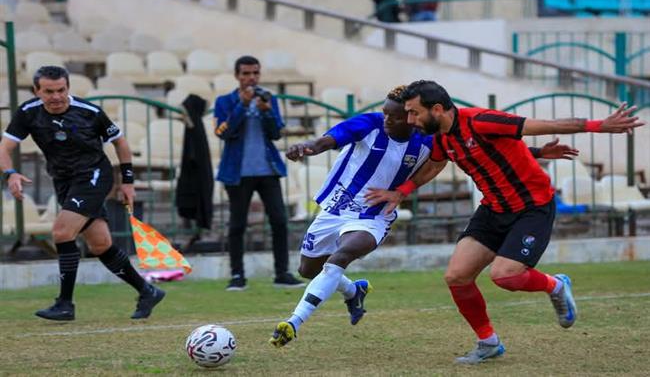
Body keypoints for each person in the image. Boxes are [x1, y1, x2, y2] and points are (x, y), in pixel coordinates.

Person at [269, 86, 576, 348]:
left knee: (342, 255)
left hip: (376, 215)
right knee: (308, 270)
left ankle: (293, 322)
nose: (388, 119)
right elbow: (328, 140)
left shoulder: (427, 140)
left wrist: (534, 152)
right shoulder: (369, 123)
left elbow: (474, 147)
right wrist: (307, 147)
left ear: (412, 118)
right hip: (336, 208)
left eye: (396, 116)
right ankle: (354, 290)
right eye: (386, 114)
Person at [366, 80, 644, 364]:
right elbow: (437, 163)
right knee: (457, 276)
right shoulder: (443, 138)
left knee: (506, 276)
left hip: (532, 208)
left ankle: (556, 286)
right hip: (493, 210)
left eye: (414, 113)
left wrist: (599, 125)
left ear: (437, 109)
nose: (410, 120)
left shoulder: (482, 121)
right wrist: (402, 192)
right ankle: (488, 343)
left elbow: (544, 124)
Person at [0, 66, 165, 321]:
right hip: (64, 180)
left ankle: (65, 304)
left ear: (68, 88)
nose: (56, 97)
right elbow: (5, 147)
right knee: (100, 245)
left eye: (61, 90)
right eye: (49, 91)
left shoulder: (89, 112)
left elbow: (120, 142)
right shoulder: (28, 112)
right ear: (37, 91)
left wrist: (128, 182)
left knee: (61, 232)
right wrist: (10, 173)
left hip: (93, 176)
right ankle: (147, 291)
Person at [214, 55, 304, 291]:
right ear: (237, 76)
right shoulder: (225, 101)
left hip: (268, 170)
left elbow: (276, 133)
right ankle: (237, 276)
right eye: (245, 73)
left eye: (255, 73)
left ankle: (282, 273)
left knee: (279, 221)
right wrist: (242, 106)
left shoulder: (268, 99)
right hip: (237, 173)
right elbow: (223, 133)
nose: (251, 78)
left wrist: (266, 112)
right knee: (237, 225)